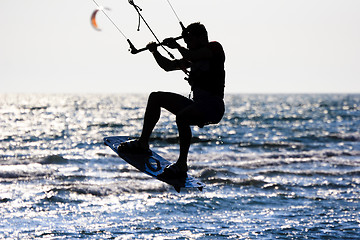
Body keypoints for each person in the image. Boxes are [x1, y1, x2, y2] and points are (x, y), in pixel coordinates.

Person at [118, 22, 225, 179]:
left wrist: (176, 46)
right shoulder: (192, 58)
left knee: (182, 117)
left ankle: (182, 165)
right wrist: (155, 52)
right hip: (198, 105)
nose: (187, 45)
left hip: (213, 106)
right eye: (186, 42)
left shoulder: (214, 48)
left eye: (189, 41)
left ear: (201, 38)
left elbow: (191, 55)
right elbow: (168, 66)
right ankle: (143, 142)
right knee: (155, 97)